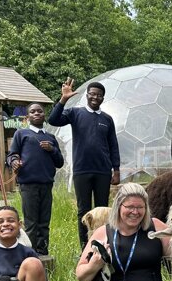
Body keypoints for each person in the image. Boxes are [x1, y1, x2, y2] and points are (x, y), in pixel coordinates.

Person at [48, 78, 120, 251]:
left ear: (103, 98)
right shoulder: (75, 113)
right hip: (82, 169)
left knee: (102, 209)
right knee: (83, 210)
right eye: (92, 94)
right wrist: (63, 99)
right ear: (87, 95)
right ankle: (85, 247)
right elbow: (53, 120)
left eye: (99, 95)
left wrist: (116, 169)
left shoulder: (107, 119)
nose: (95, 97)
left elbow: (113, 145)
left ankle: (103, 244)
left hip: (103, 170)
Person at [6, 103, 64, 255]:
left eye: (40, 111)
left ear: (44, 115)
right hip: (28, 184)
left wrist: (52, 150)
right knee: (31, 222)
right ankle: (29, 253)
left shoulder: (50, 138)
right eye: (33, 112)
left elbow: (60, 162)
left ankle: (43, 251)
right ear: (27, 117)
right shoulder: (21, 134)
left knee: (44, 221)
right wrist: (14, 163)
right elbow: (11, 155)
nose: (37, 113)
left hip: (46, 184)